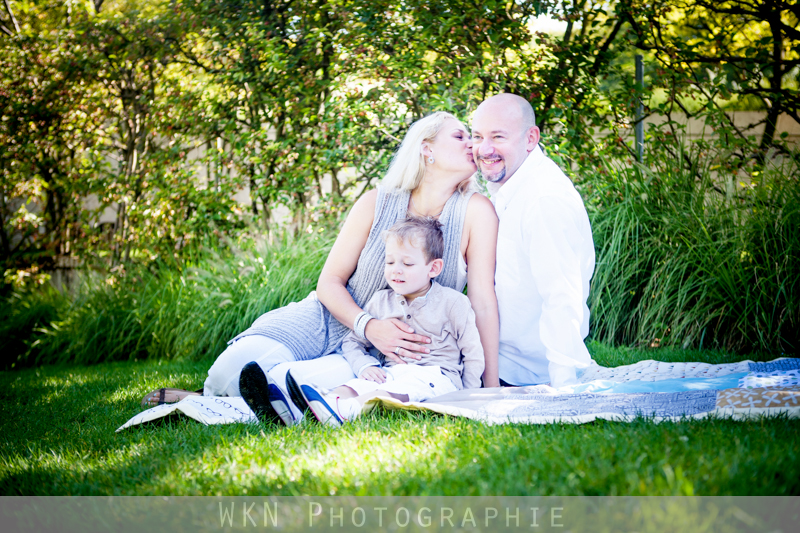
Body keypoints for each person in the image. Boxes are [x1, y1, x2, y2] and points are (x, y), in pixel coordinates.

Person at [142, 111, 500, 420]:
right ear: (427, 148)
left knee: (292, 383)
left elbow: (482, 301)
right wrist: (369, 325)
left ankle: (216, 404)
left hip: (382, 358)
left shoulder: (476, 211)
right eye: (460, 135)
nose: (472, 143)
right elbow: (330, 281)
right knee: (228, 373)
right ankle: (208, 398)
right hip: (328, 320)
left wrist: (491, 388)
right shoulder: (377, 201)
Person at [284, 217, 484, 426]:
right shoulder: (381, 301)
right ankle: (308, 409)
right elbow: (352, 342)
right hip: (392, 373)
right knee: (354, 387)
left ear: (433, 268)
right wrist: (365, 366)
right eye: (390, 262)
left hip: (436, 378)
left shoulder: (453, 303)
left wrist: (466, 396)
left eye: (407, 263)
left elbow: (472, 353)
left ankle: (341, 412)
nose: (396, 269)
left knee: (385, 393)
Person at [471, 93, 595, 389]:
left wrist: (563, 387)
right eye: (477, 136)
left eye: (498, 137)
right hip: (496, 360)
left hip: (525, 374)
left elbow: (562, 296)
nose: (484, 149)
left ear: (530, 138)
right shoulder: (513, 186)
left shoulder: (543, 200)